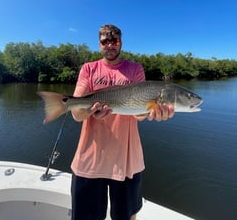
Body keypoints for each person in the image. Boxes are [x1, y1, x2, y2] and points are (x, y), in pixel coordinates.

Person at [70, 24, 174, 220]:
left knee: (127, 216)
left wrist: (154, 112)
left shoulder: (135, 69)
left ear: (121, 43)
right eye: (105, 41)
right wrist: (89, 113)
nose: (110, 45)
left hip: (127, 160)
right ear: (99, 44)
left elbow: (139, 114)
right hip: (91, 159)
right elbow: (76, 114)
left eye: (114, 41)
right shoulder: (88, 69)